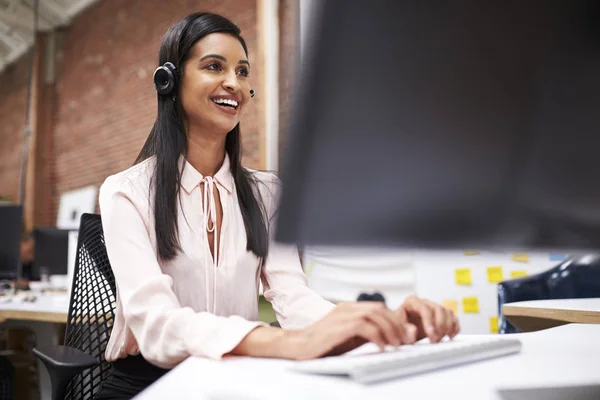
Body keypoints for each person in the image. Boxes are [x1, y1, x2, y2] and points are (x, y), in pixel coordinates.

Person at [96, 12, 459, 399]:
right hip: (148, 381)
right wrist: (283, 343)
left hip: (234, 374)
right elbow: (156, 323)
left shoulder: (267, 192)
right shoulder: (127, 191)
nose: (233, 83)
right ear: (169, 80)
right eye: (214, 66)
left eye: (243, 71)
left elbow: (292, 296)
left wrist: (377, 324)